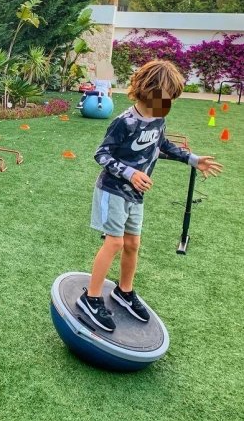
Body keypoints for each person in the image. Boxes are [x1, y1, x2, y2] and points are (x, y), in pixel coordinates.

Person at [77, 60, 222, 332]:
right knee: (115, 243)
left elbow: (162, 144)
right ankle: (91, 297)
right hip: (113, 190)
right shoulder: (125, 122)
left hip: (136, 196)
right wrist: (130, 173)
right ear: (146, 91)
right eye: (164, 97)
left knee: (133, 244)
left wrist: (192, 159)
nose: (167, 103)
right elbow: (101, 154)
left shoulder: (159, 118)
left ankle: (124, 291)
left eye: (170, 99)